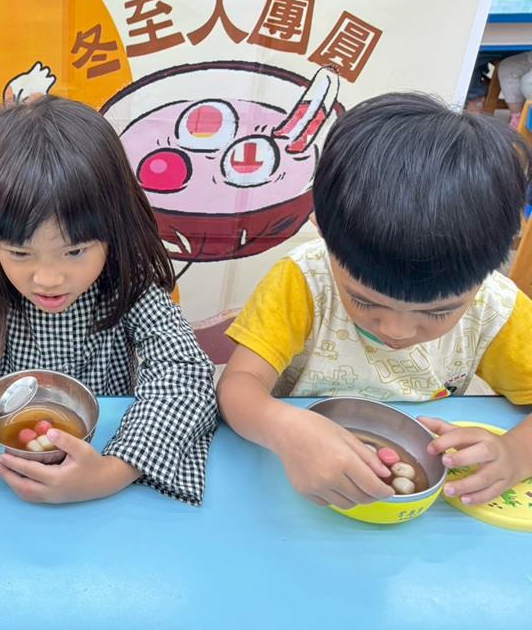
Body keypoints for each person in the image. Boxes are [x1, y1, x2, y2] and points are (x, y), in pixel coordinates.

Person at [0, 95, 218, 504]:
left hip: (101, 451)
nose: (47, 279)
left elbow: (185, 374)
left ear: (114, 230)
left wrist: (112, 473)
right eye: (20, 253)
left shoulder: (128, 284)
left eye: (75, 251)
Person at [218, 92, 532, 510]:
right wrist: (281, 427)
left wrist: (516, 452)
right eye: (365, 302)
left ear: (497, 259)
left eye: (438, 311)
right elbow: (237, 387)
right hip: (282, 491)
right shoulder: (305, 281)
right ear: (323, 231)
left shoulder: (496, 308)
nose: (397, 331)